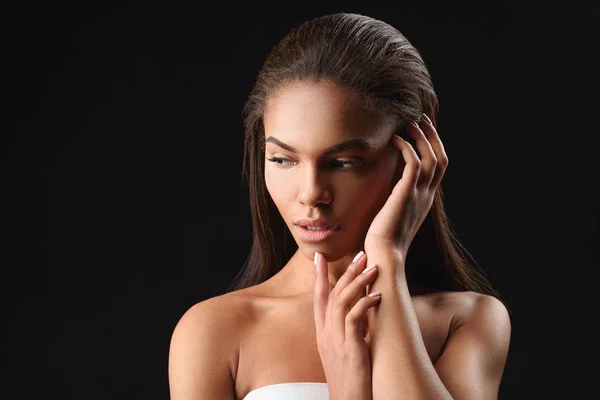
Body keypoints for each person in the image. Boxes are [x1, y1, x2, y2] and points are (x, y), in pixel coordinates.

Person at [168, 12, 511, 400]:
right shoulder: (214, 331)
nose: (312, 193)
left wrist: (388, 256)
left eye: (344, 162)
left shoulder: (467, 321)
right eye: (283, 159)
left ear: (412, 161)